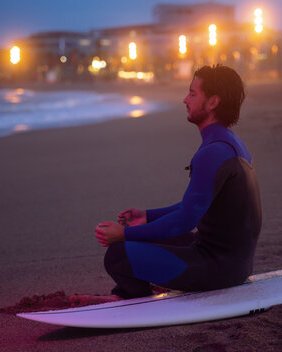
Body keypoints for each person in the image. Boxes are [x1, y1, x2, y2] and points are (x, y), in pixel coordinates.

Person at [95, 65, 262, 299]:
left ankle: (132, 295)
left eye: (193, 94)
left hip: (220, 269)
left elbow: (185, 220)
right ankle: (134, 287)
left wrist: (123, 234)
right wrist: (147, 216)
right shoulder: (230, 143)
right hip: (235, 263)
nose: (185, 99)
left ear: (213, 102)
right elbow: (196, 205)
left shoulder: (213, 152)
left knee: (118, 254)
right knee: (152, 235)